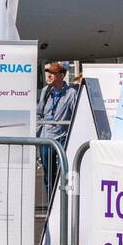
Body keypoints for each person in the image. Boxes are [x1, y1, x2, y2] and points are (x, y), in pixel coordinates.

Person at [36, 62, 77, 197]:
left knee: (64, 173)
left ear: (62, 75)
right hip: (46, 138)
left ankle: (64, 202)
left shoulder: (71, 93)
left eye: (52, 73)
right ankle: (51, 205)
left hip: (62, 138)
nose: (49, 75)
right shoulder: (45, 91)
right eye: (48, 72)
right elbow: (39, 113)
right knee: (48, 175)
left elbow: (76, 115)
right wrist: (37, 136)